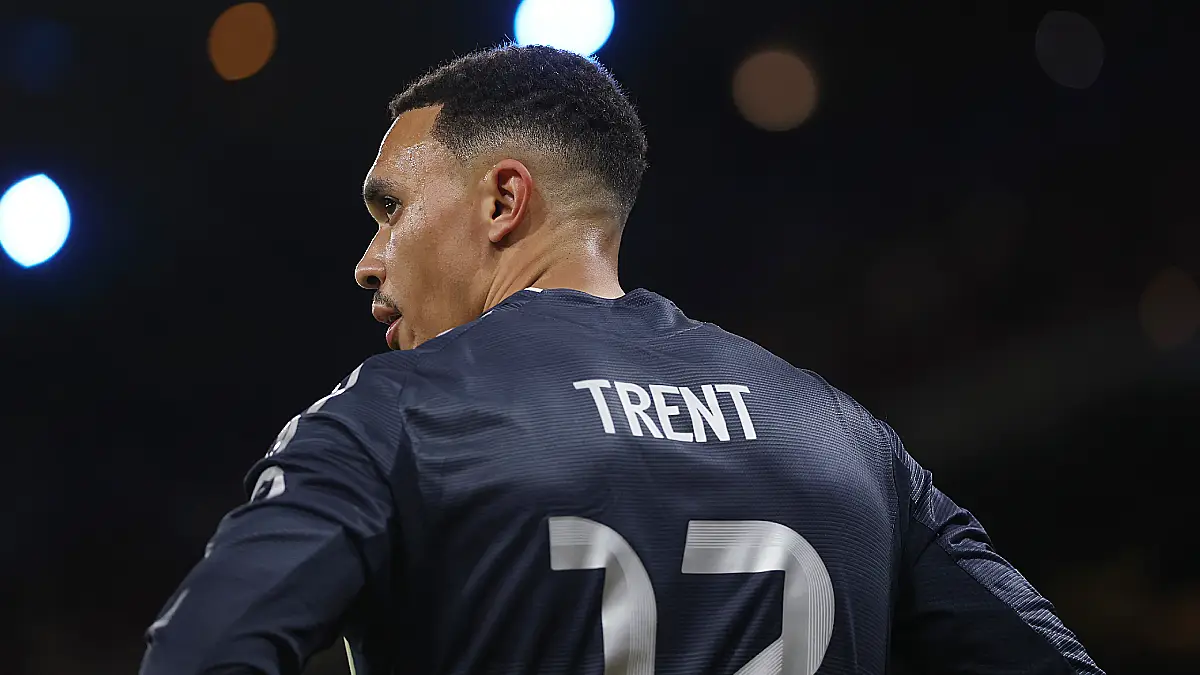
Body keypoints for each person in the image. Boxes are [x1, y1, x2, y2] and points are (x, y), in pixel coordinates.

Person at [140, 45, 1103, 675]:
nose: (368, 260)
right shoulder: (849, 437)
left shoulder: (394, 418)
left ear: (501, 200)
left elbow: (197, 660)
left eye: (390, 208)